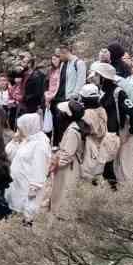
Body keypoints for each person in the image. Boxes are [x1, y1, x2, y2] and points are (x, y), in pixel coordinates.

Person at [47, 88, 110, 218]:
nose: (59, 113)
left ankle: (63, 216)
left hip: (69, 167)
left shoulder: (73, 130)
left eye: (62, 112)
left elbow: (67, 154)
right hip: (74, 164)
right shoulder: (80, 124)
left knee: (65, 192)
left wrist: (55, 164)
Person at [91, 63, 133, 186]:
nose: (94, 77)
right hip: (109, 135)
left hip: (120, 133)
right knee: (108, 166)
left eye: (97, 74)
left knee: (122, 167)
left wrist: (130, 131)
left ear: (103, 77)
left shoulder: (118, 92)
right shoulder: (102, 92)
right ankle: (114, 191)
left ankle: (126, 194)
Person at [8, 113, 51, 216]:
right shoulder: (28, 140)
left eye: (21, 128)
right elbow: (10, 154)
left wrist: (33, 190)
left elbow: (39, 168)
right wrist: (14, 141)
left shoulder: (40, 144)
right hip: (18, 186)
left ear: (28, 127)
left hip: (27, 191)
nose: (19, 131)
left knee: (26, 218)